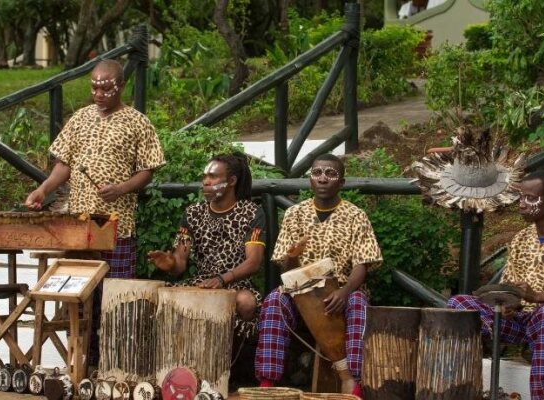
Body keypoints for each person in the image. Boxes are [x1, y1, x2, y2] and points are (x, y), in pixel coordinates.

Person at [24, 59, 165, 366]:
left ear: (121, 86)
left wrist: (122, 188)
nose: (99, 93)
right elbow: (64, 165)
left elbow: (148, 170)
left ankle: (114, 365)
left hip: (117, 226)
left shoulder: (137, 122)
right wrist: (43, 190)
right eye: (94, 87)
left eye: (106, 87)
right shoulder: (80, 118)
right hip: (80, 226)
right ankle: (81, 362)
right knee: (81, 297)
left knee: (114, 299)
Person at [448, 170, 544, 400]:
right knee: (459, 303)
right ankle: (460, 388)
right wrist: (509, 305)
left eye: (530, 198)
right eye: (520, 197)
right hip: (523, 322)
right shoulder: (521, 238)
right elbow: (510, 288)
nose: (522, 204)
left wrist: (539, 297)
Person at [254, 154, 383, 397]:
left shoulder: (356, 215)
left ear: (341, 182)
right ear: (310, 180)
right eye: (317, 173)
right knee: (274, 301)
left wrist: (344, 293)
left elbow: (362, 264)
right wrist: (293, 256)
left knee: (358, 303)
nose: (322, 178)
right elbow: (286, 268)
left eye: (330, 174)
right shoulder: (295, 214)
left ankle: (354, 381)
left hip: (343, 288)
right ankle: (267, 383)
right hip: (299, 290)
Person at [148, 153, 265, 337]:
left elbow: (254, 262)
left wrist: (222, 279)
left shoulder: (251, 213)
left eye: (213, 176)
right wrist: (171, 263)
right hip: (202, 283)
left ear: (232, 180)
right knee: (163, 297)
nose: (206, 182)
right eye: (204, 177)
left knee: (246, 302)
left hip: (236, 283)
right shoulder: (193, 213)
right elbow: (180, 261)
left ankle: (234, 358)